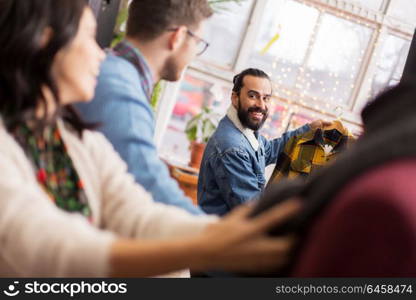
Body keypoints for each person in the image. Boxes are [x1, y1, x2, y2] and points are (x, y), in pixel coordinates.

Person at [0, 0, 300, 277]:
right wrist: (209, 246)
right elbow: (52, 247)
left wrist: (223, 236)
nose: (100, 53)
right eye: (88, 37)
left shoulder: (75, 139)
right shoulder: (10, 146)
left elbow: (137, 211)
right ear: (45, 42)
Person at [76, 0, 213, 215]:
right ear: (177, 37)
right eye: (198, 43)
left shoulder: (113, 71)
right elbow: (151, 191)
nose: (195, 53)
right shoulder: (121, 90)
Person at [198, 68, 329, 216]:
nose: (261, 105)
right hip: (224, 236)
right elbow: (252, 210)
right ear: (235, 98)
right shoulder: (232, 148)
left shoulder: (245, 132)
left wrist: (309, 129)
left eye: (266, 98)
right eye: (253, 95)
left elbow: (269, 151)